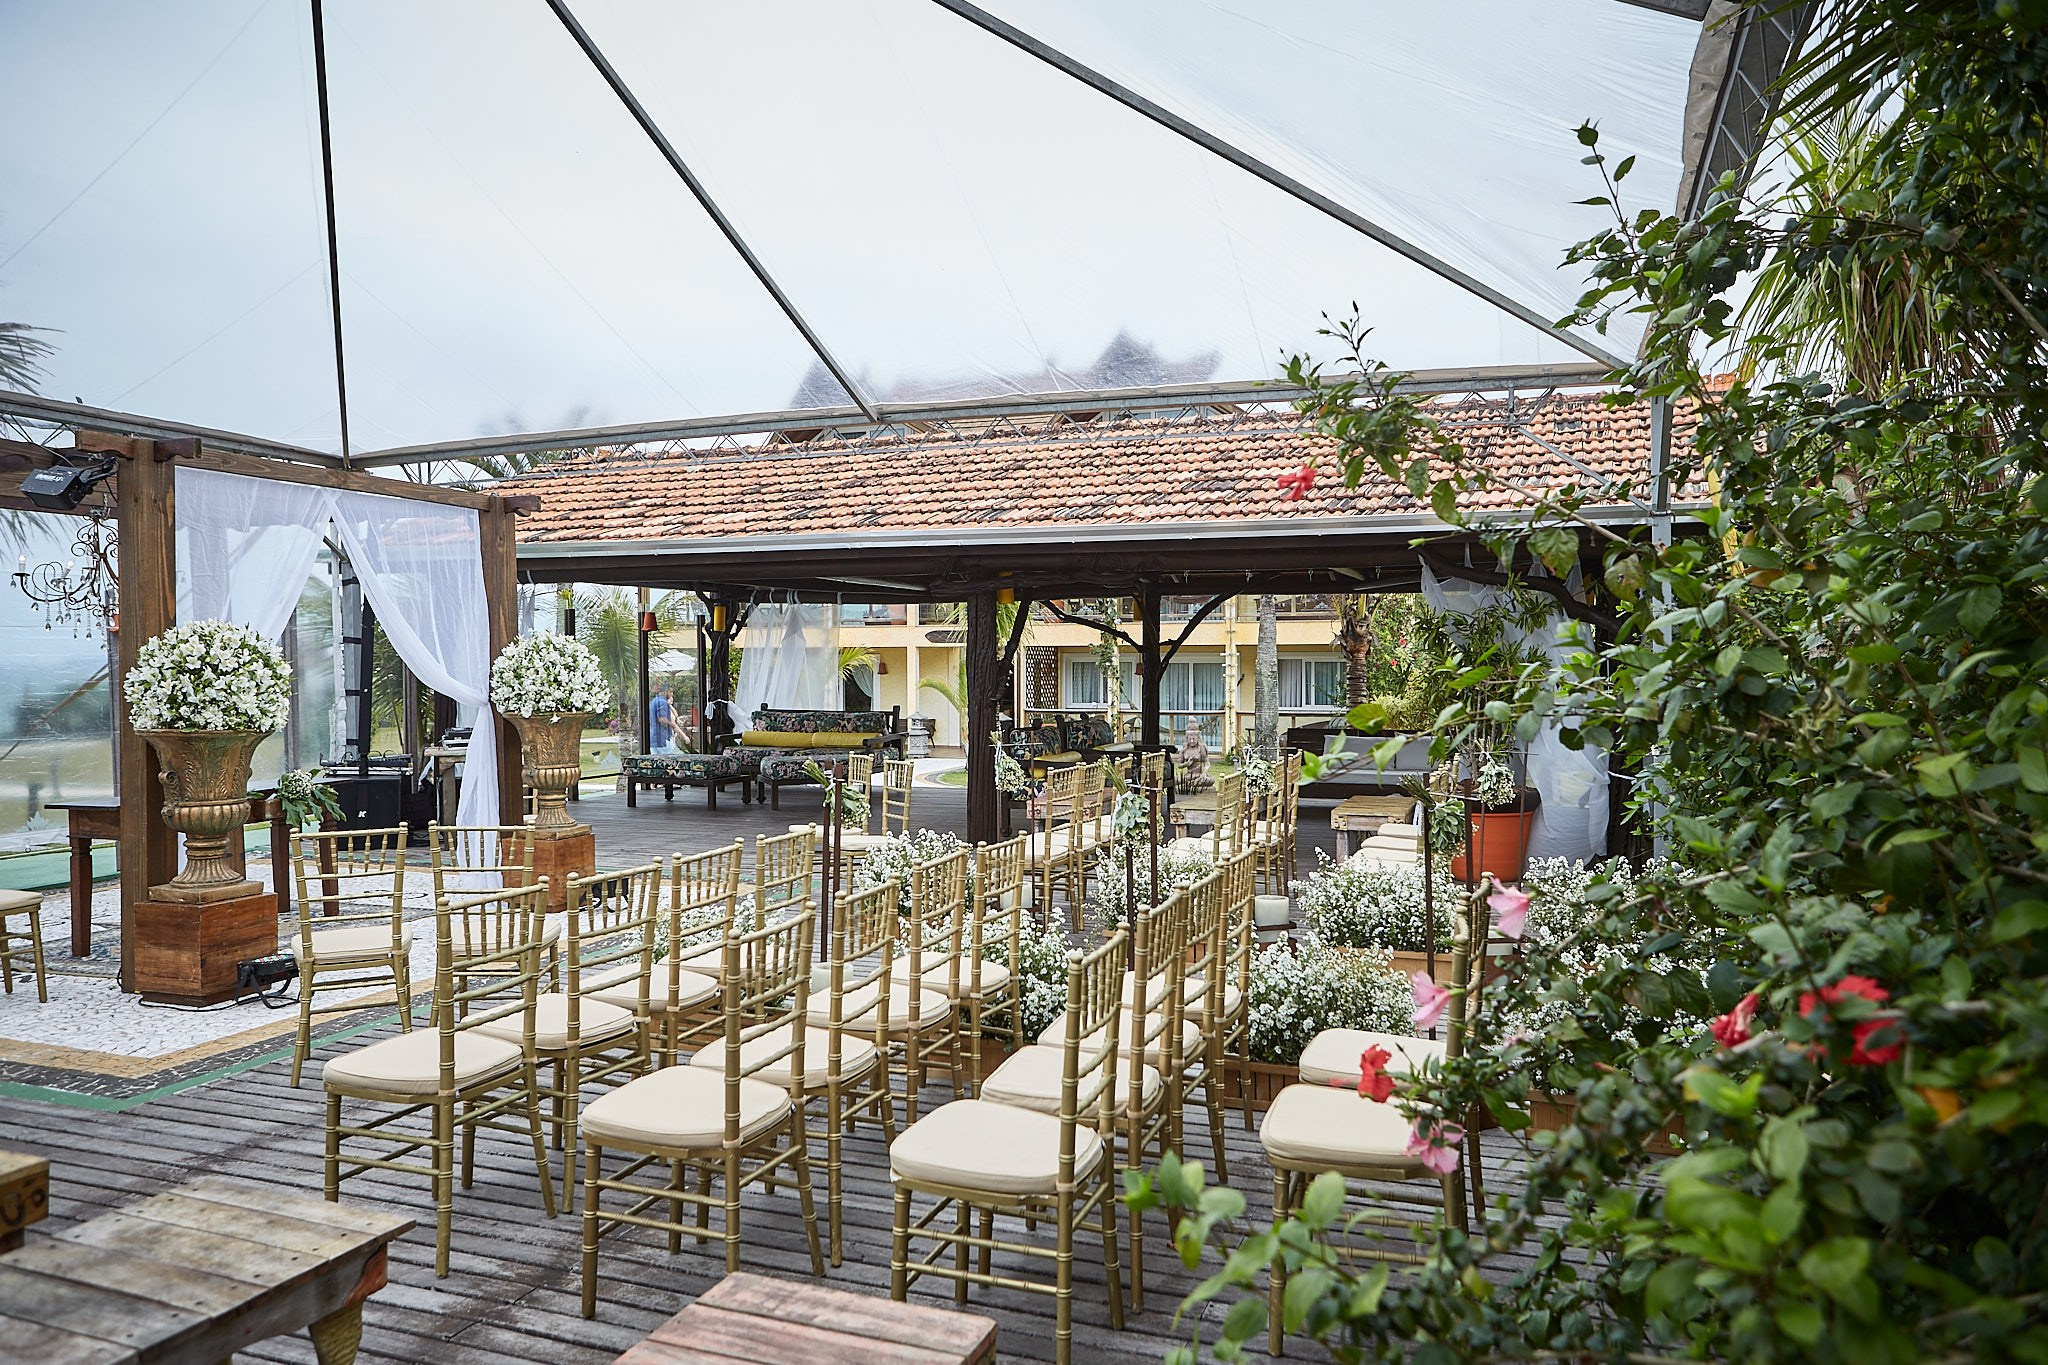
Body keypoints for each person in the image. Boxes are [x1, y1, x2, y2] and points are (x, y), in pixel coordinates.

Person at [648, 685, 675, 753]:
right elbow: (662, 719)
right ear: (665, 691)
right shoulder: (663, 702)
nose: (672, 694)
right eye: (671, 692)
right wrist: (672, 724)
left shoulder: (653, 701)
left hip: (653, 739)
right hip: (662, 739)